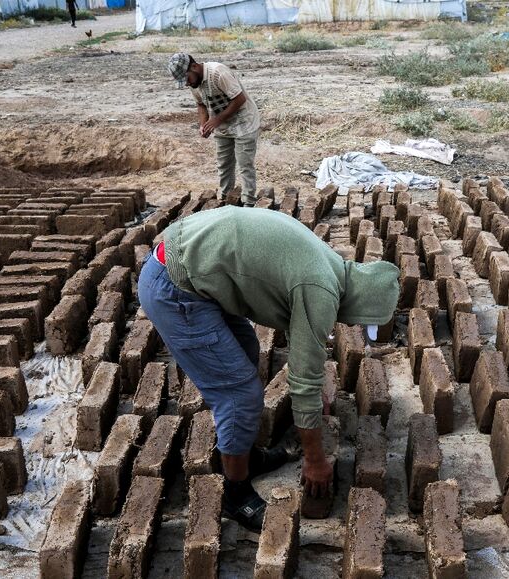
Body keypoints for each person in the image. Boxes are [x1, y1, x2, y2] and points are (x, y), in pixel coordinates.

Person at [138, 206, 399, 532]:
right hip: (176, 288)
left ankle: (248, 455)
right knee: (240, 393)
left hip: (191, 265)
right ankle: (235, 493)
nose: (351, 324)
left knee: (247, 353)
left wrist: (315, 384)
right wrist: (315, 460)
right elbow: (302, 379)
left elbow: (302, 341)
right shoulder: (320, 291)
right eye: (359, 321)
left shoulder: (331, 266)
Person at [168, 53, 261, 207]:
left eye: (187, 79)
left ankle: (249, 203)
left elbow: (239, 99)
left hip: (244, 123)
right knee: (224, 165)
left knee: (245, 165)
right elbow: (201, 105)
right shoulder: (194, 83)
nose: (187, 84)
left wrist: (216, 120)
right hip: (222, 126)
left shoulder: (218, 73)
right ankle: (226, 200)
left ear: (194, 67)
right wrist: (204, 124)